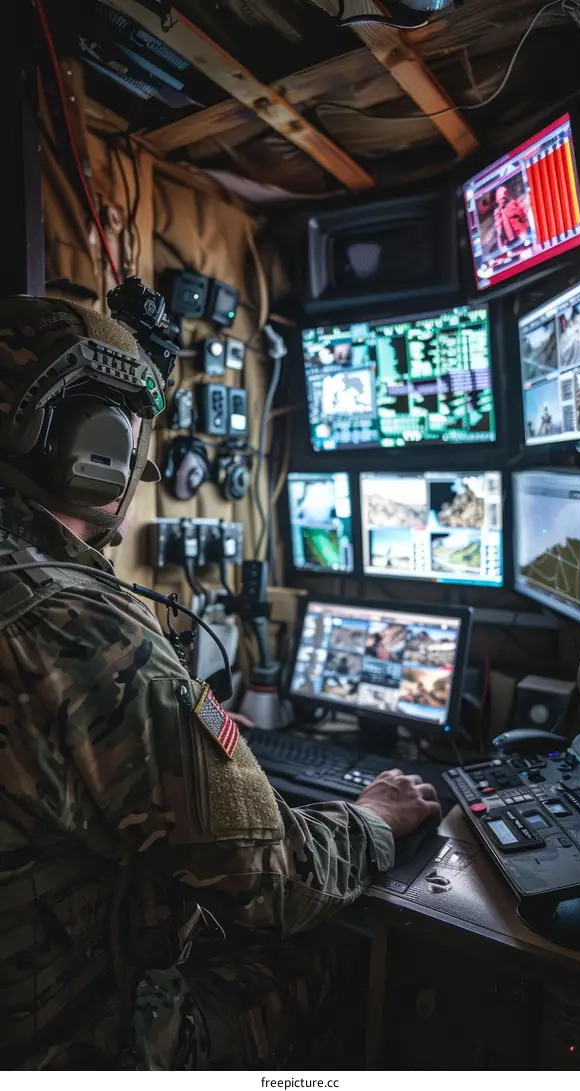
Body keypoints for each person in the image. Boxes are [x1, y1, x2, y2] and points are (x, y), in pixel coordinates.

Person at [0, 296, 441, 1071]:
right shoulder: (79, 624)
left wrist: (185, 732)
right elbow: (275, 880)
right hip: (72, 1045)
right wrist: (374, 816)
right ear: (91, 445)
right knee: (318, 956)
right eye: (135, 430)